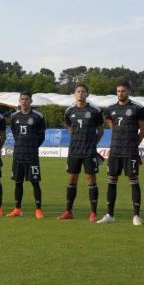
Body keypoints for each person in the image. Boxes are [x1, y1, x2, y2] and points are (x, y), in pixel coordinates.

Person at [97, 82, 144, 226]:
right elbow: (111, 123)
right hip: (115, 151)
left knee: (133, 180)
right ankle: (110, 214)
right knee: (112, 180)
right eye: (118, 91)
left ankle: (136, 216)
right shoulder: (111, 109)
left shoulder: (137, 108)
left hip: (130, 151)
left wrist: (133, 145)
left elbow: (143, 130)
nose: (120, 93)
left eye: (123, 91)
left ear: (128, 92)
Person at [59, 83, 104, 221]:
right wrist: (75, 135)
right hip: (74, 151)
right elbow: (68, 125)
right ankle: (68, 211)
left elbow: (101, 130)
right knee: (72, 179)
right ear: (75, 94)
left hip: (89, 151)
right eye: (78, 91)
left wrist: (93, 143)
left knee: (91, 179)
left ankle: (93, 212)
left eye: (83, 91)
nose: (80, 94)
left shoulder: (95, 111)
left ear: (87, 94)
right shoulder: (69, 111)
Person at [8, 92, 46, 219]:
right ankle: (17, 209)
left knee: (35, 182)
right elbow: (15, 133)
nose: (24, 101)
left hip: (32, 156)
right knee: (18, 183)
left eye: (26, 99)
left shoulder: (38, 116)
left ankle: (38, 209)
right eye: (22, 99)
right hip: (18, 155)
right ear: (19, 101)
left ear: (31, 101)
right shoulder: (14, 117)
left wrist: (33, 146)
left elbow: (41, 136)